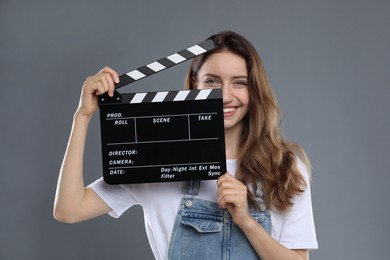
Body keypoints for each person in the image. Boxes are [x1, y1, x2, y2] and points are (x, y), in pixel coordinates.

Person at [54, 31, 318, 260]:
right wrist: (82, 116)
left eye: (239, 82)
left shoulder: (284, 167)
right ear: (195, 84)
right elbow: (69, 209)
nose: (225, 96)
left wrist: (247, 221)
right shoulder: (155, 158)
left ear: (254, 90)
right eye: (212, 81)